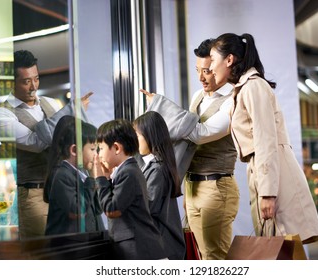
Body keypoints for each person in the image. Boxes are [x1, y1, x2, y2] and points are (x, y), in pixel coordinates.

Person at [209, 33, 318, 244]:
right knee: (278, 251)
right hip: (264, 171)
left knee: (280, 249)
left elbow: (266, 140)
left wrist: (268, 193)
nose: (210, 67)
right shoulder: (243, 89)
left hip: (273, 175)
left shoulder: (253, 87)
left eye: (213, 60)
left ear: (229, 60)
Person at [141, 38, 240, 260]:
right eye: (198, 70)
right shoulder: (198, 97)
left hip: (216, 186)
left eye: (207, 70)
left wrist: (162, 106)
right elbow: (185, 133)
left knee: (216, 257)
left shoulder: (232, 100)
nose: (201, 77)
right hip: (193, 186)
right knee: (200, 255)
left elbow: (199, 133)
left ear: (219, 66)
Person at [0, 50, 93, 239]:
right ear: (11, 83)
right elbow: (36, 142)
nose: (33, 86)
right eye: (26, 81)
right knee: (44, 253)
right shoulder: (1, 115)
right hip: (34, 195)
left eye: (36, 79)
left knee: (69, 250)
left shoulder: (49, 103)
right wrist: (71, 111)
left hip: (64, 189)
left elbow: (67, 135)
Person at [95, 119, 166, 260]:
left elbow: (112, 210)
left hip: (140, 250)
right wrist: (108, 179)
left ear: (116, 148)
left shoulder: (128, 172)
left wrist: (100, 178)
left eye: (101, 148)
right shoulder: (128, 170)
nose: (99, 154)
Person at [133, 111, 185, 260]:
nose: (135, 141)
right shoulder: (152, 165)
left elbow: (147, 208)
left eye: (137, 136)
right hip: (162, 245)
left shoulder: (157, 169)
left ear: (150, 135)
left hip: (163, 248)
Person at [44, 116, 104, 235]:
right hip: (69, 246)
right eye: (92, 149)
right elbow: (77, 211)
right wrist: (91, 180)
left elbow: (97, 209)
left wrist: (97, 178)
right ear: (74, 150)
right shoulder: (62, 174)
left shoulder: (81, 174)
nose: (96, 155)